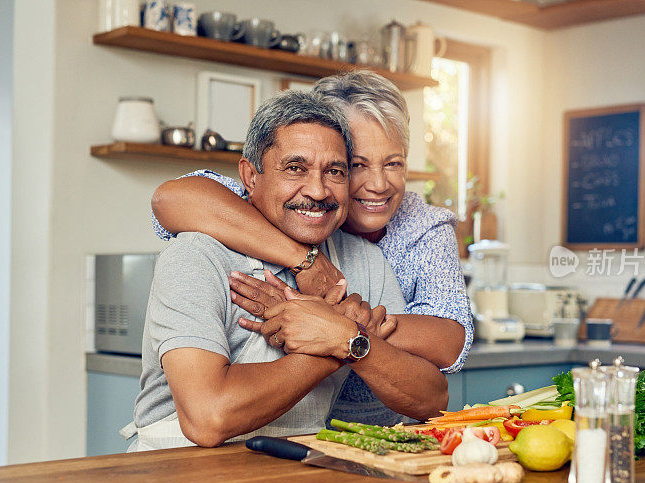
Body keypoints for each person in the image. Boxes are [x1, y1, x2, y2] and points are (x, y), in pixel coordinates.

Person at [125, 89, 448, 451]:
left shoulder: (363, 261)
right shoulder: (197, 256)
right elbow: (207, 418)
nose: (318, 190)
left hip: (297, 472)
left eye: (335, 171)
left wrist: (344, 336)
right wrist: (339, 342)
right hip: (177, 473)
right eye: (295, 168)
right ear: (250, 175)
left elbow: (432, 400)